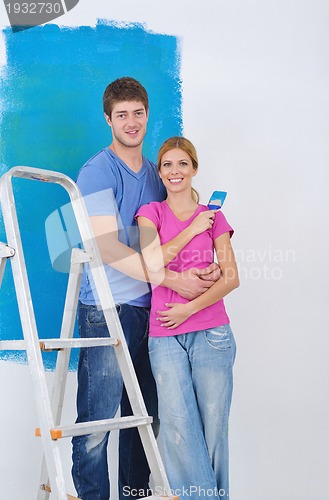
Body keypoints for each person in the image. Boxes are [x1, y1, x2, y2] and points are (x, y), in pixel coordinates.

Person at [72, 78, 221, 500]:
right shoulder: (97, 171)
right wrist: (174, 280)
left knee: (143, 418)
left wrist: (206, 271)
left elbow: (176, 236)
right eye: (122, 115)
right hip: (108, 307)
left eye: (138, 113)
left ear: (147, 114)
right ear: (109, 120)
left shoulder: (158, 176)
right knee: (98, 423)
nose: (132, 122)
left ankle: (133, 494)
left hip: (152, 313)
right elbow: (105, 247)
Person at [136, 136, 240, 499]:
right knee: (178, 427)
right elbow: (150, 263)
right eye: (167, 165)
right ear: (160, 172)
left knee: (213, 428)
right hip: (163, 334)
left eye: (182, 164)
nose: (175, 171)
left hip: (211, 332)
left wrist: (188, 307)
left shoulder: (215, 215)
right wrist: (193, 230)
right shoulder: (151, 212)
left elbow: (231, 277)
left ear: (194, 169)